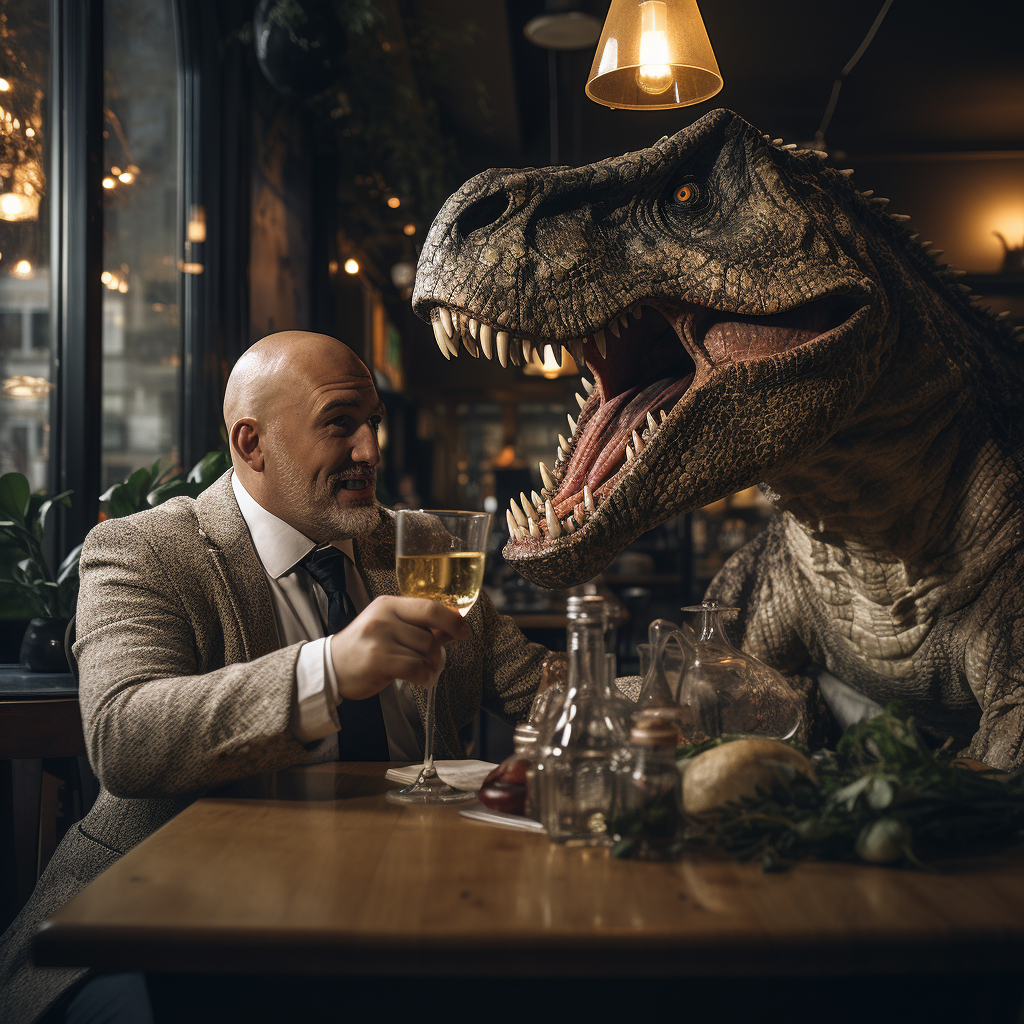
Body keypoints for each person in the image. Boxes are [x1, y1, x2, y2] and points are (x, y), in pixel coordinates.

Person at [0, 332, 548, 1024]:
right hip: (158, 928)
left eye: (372, 423)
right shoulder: (145, 550)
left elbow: (542, 690)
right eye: (339, 423)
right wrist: (330, 669)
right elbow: (124, 736)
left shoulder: (418, 545)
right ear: (251, 444)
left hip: (405, 906)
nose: (371, 451)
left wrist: (681, 704)